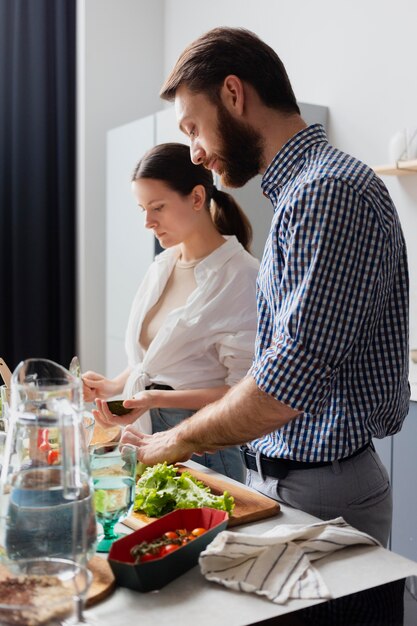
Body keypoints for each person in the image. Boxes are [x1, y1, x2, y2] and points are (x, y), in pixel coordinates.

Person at [121, 27, 410, 547]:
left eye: (194, 128)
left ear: (234, 94)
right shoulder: (300, 194)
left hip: (326, 489)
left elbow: (288, 378)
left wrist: (170, 442)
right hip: (291, 477)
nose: (194, 153)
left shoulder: (327, 191)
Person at [83, 142, 259, 483]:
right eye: (142, 209)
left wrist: (155, 398)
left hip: (202, 448)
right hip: (148, 440)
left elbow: (244, 392)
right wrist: (112, 386)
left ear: (196, 198)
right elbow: (155, 361)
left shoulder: (242, 276)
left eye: (158, 207)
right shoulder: (162, 265)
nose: (148, 222)